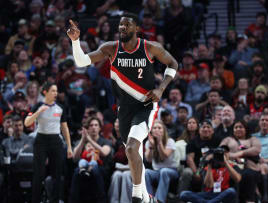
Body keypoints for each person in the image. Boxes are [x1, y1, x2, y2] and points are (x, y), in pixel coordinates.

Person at [67, 12, 178, 203]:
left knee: (133, 147)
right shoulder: (111, 48)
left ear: (137, 29)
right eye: (120, 25)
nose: (122, 28)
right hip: (124, 109)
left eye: (127, 25)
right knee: (134, 153)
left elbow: (173, 63)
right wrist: (75, 41)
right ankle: (146, 197)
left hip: (146, 105)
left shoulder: (149, 47)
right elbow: (82, 61)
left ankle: (136, 195)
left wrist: (161, 89)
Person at [24, 82, 73, 203]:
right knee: (38, 175)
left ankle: (55, 200)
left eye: (56, 91)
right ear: (45, 92)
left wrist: (69, 147)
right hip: (41, 140)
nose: (55, 93)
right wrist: (39, 112)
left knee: (57, 175)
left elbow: (65, 128)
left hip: (56, 141)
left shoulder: (60, 108)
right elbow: (27, 123)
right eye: (53, 90)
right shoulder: (37, 106)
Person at [220, 120, 262, 203]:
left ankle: (250, 201)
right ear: (233, 130)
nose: (238, 129)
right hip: (232, 167)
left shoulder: (252, 139)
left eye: (241, 127)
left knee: (248, 174)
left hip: (251, 168)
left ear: (246, 129)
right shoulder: (228, 139)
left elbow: (257, 149)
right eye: (236, 127)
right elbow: (221, 150)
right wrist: (232, 156)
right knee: (238, 173)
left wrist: (240, 153)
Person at [145, 119, 178, 203]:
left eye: (159, 128)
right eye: (155, 128)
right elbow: (148, 159)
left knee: (164, 171)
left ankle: (159, 200)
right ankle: (150, 199)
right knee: (146, 172)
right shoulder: (149, 143)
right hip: (157, 172)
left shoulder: (170, 141)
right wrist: (151, 146)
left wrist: (159, 142)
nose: (157, 130)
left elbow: (164, 157)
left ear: (164, 130)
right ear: (151, 131)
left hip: (171, 171)